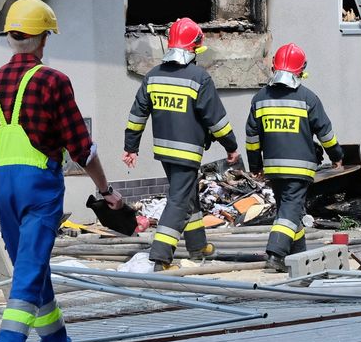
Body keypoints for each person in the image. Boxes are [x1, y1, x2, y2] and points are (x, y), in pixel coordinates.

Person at [0, 0, 124, 342]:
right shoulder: (53, 81)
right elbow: (81, 147)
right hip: (38, 187)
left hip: (3, 186)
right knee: (27, 277)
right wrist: (105, 189)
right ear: (43, 38)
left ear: (10, 37)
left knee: (35, 272)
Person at [122, 17, 238, 271]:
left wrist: (131, 147)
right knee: (177, 200)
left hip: (164, 152)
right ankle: (161, 256)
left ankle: (198, 246)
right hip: (187, 152)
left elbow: (136, 116)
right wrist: (231, 146)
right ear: (193, 49)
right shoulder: (199, 78)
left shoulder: (152, 77)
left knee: (189, 197)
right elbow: (216, 121)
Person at [245, 43, 343, 271]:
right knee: (290, 210)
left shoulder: (260, 99)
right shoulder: (308, 98)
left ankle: (297, 255)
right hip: (299, 170)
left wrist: (255, 165)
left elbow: (252, 137)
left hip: (273, 168)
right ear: (300, 71)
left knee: (288, 211)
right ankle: (275, 253)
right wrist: (337, 156)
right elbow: (325, 133)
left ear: (273, 68)